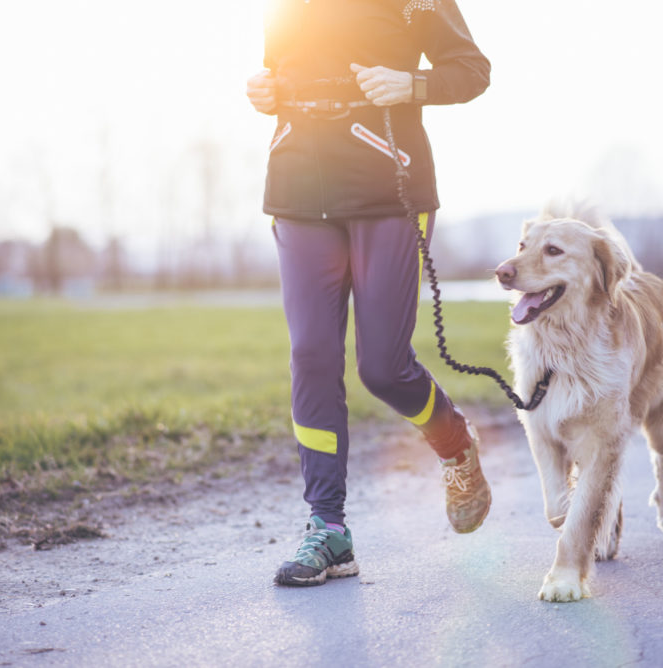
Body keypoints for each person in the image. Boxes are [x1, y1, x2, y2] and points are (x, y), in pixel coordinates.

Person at [247, 0, 492, 587]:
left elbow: (472, 69)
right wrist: (265, 90)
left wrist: (412, 83)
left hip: (389, 185)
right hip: (299, 188)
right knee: (312, 354)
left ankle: (456, 445)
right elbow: (278, 73)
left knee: (382, 367)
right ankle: (326, 526)